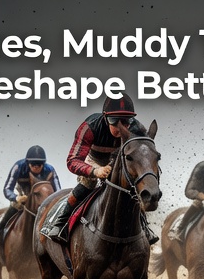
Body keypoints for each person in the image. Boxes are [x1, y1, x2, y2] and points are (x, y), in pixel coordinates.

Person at [40, 93, 157, 246]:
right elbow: (72, 160)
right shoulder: (89, 127)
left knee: (132, 187)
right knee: (87, 184)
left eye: (125, 121)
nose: (120, 127)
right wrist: (95, 171)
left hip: (120, 161)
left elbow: (143, 154)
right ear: (104, 117)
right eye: (114, 121)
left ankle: (144, 227)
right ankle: (60, 223)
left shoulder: (137, 128)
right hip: (95, 161)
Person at [0, 145, 60, 246]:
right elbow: (7, 189)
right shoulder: (18, 167)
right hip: (23, 197)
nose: (36, 167)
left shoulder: (50, 170)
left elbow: (58, 191)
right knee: (15, 205)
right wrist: (16, 198)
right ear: (27, 163)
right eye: (33, 164)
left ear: (43, 164)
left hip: (42, 199)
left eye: (39, 164)